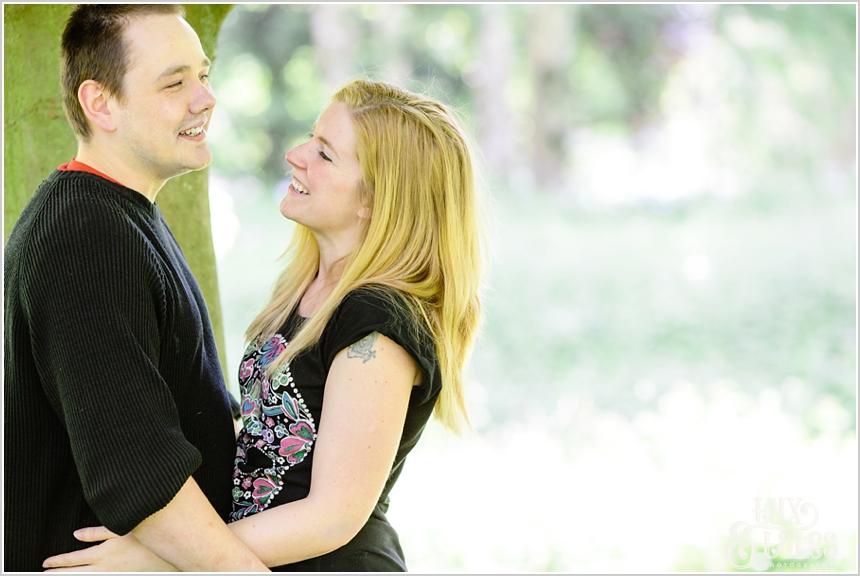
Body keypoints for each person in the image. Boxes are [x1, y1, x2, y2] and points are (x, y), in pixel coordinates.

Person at [42, 79, 483, 571]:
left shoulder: (378, 324)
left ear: (375, 200)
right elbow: (265, 435)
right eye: (310, 139)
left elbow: (332, 517)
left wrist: (167, 560)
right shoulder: (309, 289)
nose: (296, 155)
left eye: (325, 154)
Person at [4, 5, 267, 572]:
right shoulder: (83, 234)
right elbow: (138, 462)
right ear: (100, 104)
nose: (205, 99)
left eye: (203, 75)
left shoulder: (119, 215)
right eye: (174, 83)